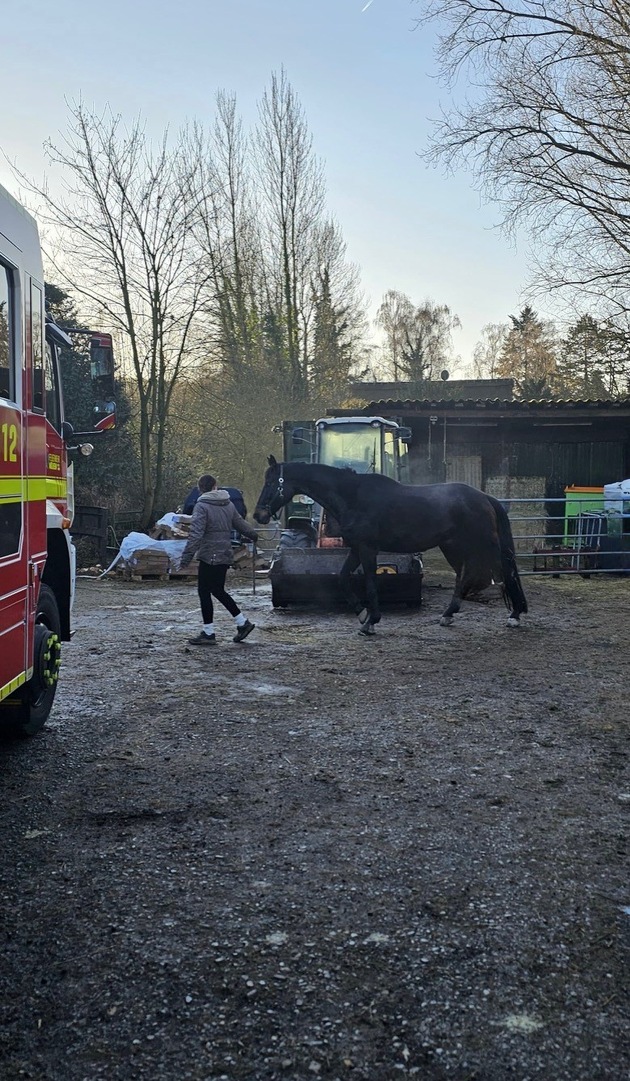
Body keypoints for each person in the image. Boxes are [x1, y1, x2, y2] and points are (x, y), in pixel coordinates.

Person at [179, 474, 258, 645]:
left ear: (200, 488)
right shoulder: (228, 504)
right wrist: (253, 534)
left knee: (204, 591)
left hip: (209, 555)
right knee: (218, 590)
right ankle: (242, 623)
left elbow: (196, 534)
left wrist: (186, 557)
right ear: (215, 486)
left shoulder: (202, 506)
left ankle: (209, 633)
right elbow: (240, 523)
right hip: (225, 553)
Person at [183, 483, 247, 519]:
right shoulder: (231, 507)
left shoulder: (199, 507)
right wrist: (254, 536)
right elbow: (240, 522)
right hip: (229, 539)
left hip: (206, 541)